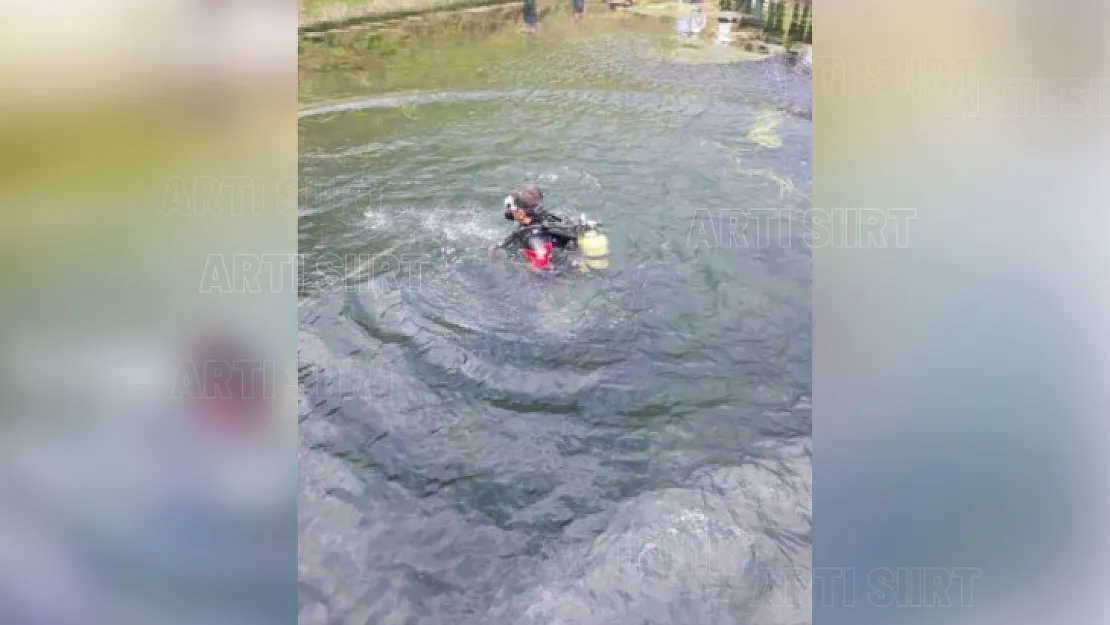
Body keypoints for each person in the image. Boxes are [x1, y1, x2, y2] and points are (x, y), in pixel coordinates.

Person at [497, 184, 582, 271]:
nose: (509, 211)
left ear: (522, 214)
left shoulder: (532, 237)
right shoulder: (551, 218)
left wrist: (527, 267)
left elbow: (543, 267)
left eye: (510, 207)